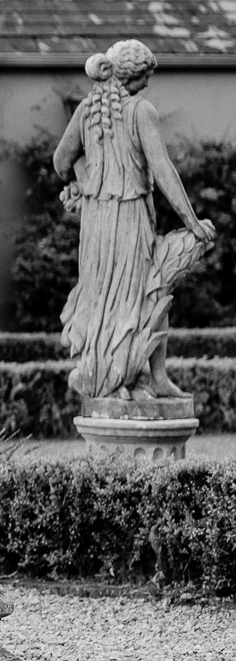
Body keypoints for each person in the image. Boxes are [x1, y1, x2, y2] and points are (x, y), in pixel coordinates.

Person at [53, 39, 216, 401]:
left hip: (97, 223)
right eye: (145, 75)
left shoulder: (87, 109)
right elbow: (162, 169)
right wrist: (191, 222)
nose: (148, 83)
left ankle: (128, 378)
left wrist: (90, 183)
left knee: (106, 299)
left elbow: (61, 162)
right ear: (133, 77)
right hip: (129, 218)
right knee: (149, 290)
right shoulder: (141, 110)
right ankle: (141, 379)